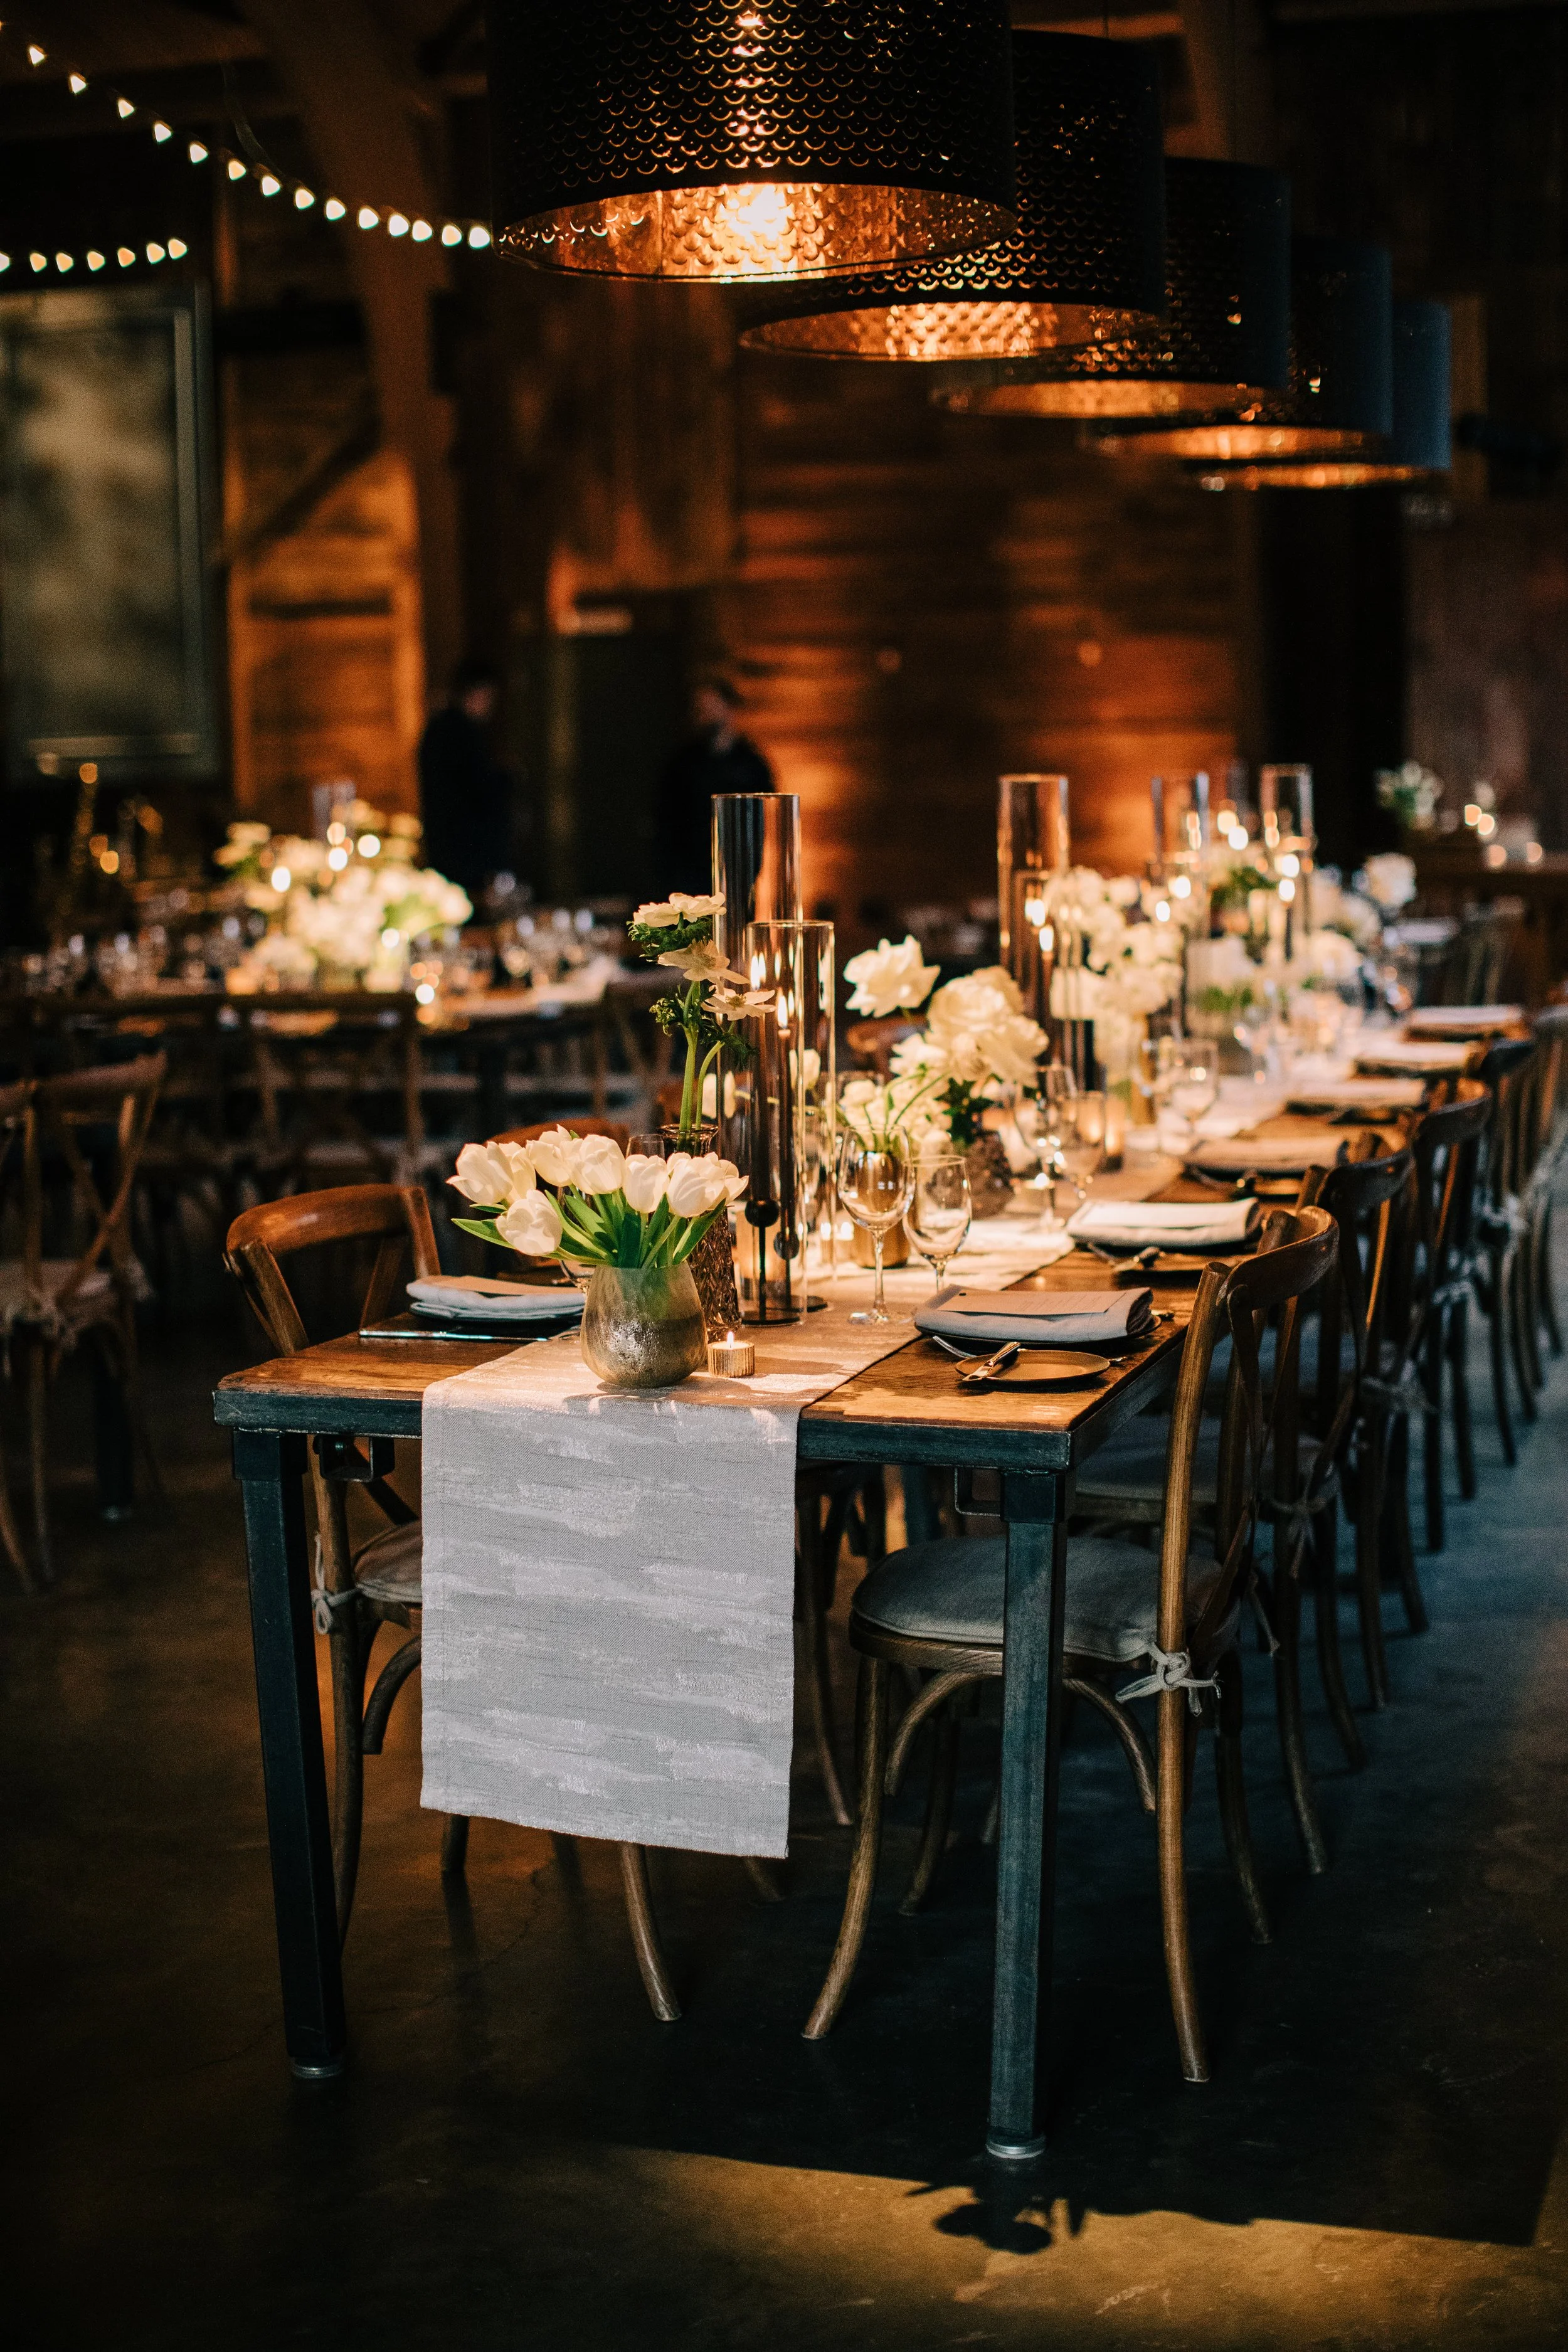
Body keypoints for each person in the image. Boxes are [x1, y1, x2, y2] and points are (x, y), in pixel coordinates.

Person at [652, 677, 774, 896]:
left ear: (729, 707)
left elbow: (761, 818)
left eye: (711, 705)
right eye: (700, 707)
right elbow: (664, 818)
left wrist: (751, 869)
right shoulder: (682, 761)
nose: (704, 713)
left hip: (736, 874)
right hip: (687, 876)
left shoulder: (751, 762)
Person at [417, 658, 516, 902]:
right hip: (465, 847)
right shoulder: (459, 734)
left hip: (449, 843)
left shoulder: (440, 730)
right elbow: (478, 789)